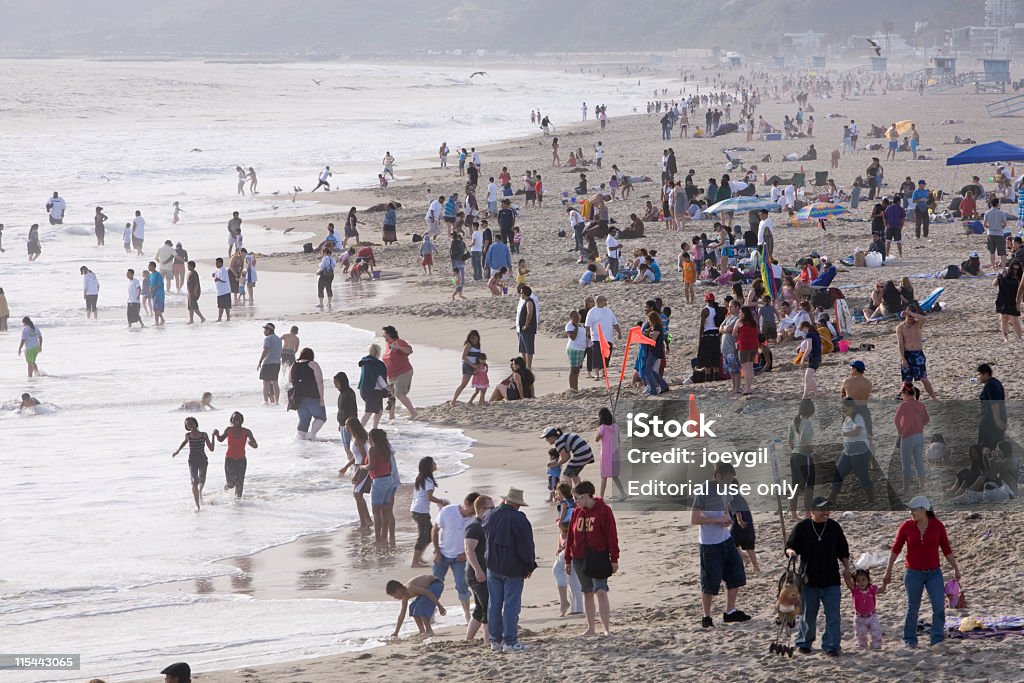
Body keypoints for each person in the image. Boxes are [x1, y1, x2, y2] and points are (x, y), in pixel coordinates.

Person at [882, 497, 962, 648]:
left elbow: (946, 549)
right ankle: (910, 640)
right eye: (910, 509)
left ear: (924, 511)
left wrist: (955, 568)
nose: (911, 512)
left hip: (934, 573)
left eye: (914, 509)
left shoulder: (937, 526)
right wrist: (888, 570)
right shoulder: (906, 526)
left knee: (938, 606)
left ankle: (937, 638)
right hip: (913, 573)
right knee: (913, 607)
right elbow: (895, 549)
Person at [785, 496, 853, 656]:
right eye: (822, 509)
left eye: (827, 509)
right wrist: (792, 553)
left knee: (833, 616)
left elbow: (843, 551)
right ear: (812, 511)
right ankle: (804, 642)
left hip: (831, 580)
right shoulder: (802, 527)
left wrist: (847, 568)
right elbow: (789, 547)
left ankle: (831, 645)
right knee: (807, 615)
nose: (826, 512)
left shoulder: (834, 527)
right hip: (809, 580)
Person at [692, 463, 751, 628]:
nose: (730, 482)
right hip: (709, 544)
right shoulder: (703, 491)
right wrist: (716, 520)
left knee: (736, 573)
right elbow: (695, 519)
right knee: (710, 581)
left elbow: (726, 508)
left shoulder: (727, 489)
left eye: (732, 479)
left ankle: (730, 612)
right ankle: (707, 617)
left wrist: (727, 519)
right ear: (717, 476)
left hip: (726, 539)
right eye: (727, 478)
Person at [483, 487, 537, 653]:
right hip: (513, 568)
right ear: (517, 504)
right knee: (511, 606)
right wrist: (530, 566)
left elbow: (485, 528)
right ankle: (510, 641)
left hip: (493, 565)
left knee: (494, 604)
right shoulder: (519, 519)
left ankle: (495, 640)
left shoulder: (490, 515)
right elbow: (526, 546)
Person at [564, 480, 619, 636]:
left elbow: (611, 536)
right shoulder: (576, 512)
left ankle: (607, 629)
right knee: (587, 592)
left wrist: (614, 558)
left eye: (577, 498)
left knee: (601, 591)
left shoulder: (604, 511)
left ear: (586, 496)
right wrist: (567, 559)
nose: (575, 502)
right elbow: (570, 537)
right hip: (579, 558)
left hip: (599, 556)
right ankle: (591, 628)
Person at [432, 491, 478, 623]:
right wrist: (437, 551)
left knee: (461, 584)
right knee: (435, 585)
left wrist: (465, 554)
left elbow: (477, 538)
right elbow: (435, 529)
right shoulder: (448, 511)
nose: (473, 512)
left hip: (460, 558)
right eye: (473, 509)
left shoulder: (474, 519)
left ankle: (467, 615)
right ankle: (431, 614)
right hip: (442, 554)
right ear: (466, 503)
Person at [828, 399, 876, 506]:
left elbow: (857, 431)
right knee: (838, 473)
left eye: (846, 407)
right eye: (842, 407)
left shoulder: (858, 417)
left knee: (863, 477)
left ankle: (871, 500)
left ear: (853, 408)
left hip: (859, 454)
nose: (843, 409)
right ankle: (831, 499)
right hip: (847, 452)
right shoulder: (847, 418)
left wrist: (843, 434)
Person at [464, 494, 494, 641]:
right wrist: (478, 570)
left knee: (479, 609)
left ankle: (468, 639)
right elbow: (468, 549)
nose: (493, 511)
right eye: (491, 508)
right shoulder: (474, 527)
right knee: (488, 606)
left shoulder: (484, 525)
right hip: (476, 574)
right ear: (482, 509)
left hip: (484, 572)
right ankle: (489, 641)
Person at [410, 457, 448, 567]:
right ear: (429, 466)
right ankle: (415, 562)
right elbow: (429, 497)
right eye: (433, 463)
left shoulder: (421, 478)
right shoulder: (428, 480)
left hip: (416, 510)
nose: (435, 464)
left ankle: (419, 557)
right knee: (423, 536)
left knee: (429, 536)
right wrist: (441, 501)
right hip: (421, 511)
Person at [171, 417, 214, 511]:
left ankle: (200, 492)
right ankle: (197, 505)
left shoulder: (203, 435)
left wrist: (213, 437)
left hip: (203, 460)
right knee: (195, 481)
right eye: (188, 425)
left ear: (195, 423)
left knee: (202, 480)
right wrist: (177, 451)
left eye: (191, 423)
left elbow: (211, 448)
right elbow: (183, 443)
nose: (190, 426)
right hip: (192, 461)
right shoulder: (188, 436)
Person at [385, 574, 447, 639]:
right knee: (412, 607)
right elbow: (402, 614)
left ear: (399, 590)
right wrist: (396, 633)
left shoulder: (410, 588)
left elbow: (428, 593)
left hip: (436, 583)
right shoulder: (405, 597)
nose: (395, 598)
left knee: (420, 606)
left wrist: (440, 606)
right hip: (427, 588)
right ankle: (422, 631)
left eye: (394, 595)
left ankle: (429, 631)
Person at [212, 411, 257, 499]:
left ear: (242, 420)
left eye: (238, 419)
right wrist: (217, 435)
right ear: (231, 420)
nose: (236, 420)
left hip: (241, 460)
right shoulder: (228, 430)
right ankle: (228, 486)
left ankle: (237, 505)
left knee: (240, 482)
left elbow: (255, 445)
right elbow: (221, 439)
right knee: (231, 483)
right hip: (229, 459)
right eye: (234, 419)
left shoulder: (246, 431)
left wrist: (250, 443)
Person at [895, 382, 930, 494]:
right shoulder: (921, 405)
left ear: (906, 393)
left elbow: (896, 420)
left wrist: (900, 432)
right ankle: (923, 486)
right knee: (919, 461)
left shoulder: (903, 405)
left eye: (902, 393)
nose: (901, 396)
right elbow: (926, 419)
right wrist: (921, 426)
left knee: (906, 463)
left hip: (907, 436)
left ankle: (907, 489)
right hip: (919, 436)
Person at [896, 306, 937, 399]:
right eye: (909, 315)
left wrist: (911, 314)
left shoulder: (918, 324)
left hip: (918, 354)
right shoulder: (900, 327)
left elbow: (924, 319)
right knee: (907, 381)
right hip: (907, 354)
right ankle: (903, 397)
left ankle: (934, 397)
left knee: (924, 379)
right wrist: (902, 358)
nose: (911, 318)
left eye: (912, 316)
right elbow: (901, 344)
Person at [290, 347, 327, 440]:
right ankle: (312, 435)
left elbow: (290, 382)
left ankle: (299, 442)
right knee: (321, 417)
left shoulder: (293, 365)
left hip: (298, 398)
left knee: (303, 421)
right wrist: (321, 398)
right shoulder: (313, 364)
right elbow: (320, 382)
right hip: (312, 396)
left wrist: (291, 398)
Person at [584, 295, 621, 380]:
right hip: (596, 337)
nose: (606, 301)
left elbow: (614, 323)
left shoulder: (608, 311)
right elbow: (587, 325)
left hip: (608, 338)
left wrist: (619, 332)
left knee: (606, 356)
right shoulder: (592, 311)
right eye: (604, 300)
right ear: (599, 301)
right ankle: (597, 374)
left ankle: (604, 372)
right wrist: (587, 335)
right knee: (596, 356)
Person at [357, 343, 388, 428]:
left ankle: (374, 429)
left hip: (364, 389)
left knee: (379, 411)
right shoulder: (377, 364)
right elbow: (380, 379)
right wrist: (388, 389)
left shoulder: (365, 362)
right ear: (378, 352)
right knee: (369, 411)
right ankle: (359, 430)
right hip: (373, 391)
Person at [977, 363, 1007, 448]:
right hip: (996, 419)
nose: (978, 377)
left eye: (980, 374)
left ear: (986, 374)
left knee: (986, 448)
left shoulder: (990, 385)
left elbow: (994, 404)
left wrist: (997, 420)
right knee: (997, 447)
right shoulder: (997, 382)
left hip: (990, 422)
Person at [451, 330, 482, 404]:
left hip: (476, 366)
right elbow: (463, 357)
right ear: (469, 338)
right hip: (468, 366)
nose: (474, 340)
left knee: (479, 384)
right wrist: (473, 365)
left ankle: (475, 401)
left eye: (475, 338)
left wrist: (479, 365)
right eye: (472, 338)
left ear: (478, 338)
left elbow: (478, 356)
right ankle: (453, 401)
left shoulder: (478, 345)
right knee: (463, 384)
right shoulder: (468, 345)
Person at [257, 323, 282, 405]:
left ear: (269, 330)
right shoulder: (278, 339)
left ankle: (265, 402)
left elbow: (265, 350)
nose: (264, 331)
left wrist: (260, 361)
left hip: (268, 362)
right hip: (277, 362)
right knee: (275, 382)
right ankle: (277, 401)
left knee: (266, 383)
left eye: (265, 330)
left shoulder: (267, 339)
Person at [565, 309, 587, 391]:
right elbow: (573, 337)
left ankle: (575, 388)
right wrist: (576, 327)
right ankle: (572, 388)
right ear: (571, 318)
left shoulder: (582, 326)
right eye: (574, 317)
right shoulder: (570, 325)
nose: (576, 318)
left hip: (581, 349)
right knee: (573, 369)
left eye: (577, 316)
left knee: (577, 370)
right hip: (573, 349)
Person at [516, 285, 537, 369]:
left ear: (524, 293)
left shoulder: (529, 302)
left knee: (529, 348)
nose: (520, 294)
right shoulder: (525, 302)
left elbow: (530, 313)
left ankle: (529, 366)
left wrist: (526, 325)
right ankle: (524, 365)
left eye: (521, 293)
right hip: (522, 329)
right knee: (523, 348)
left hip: (528, 329)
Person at [984, 197, 1008, 269]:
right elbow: (1004, 224)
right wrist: (1000, 227)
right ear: (998, 204)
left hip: (990, 233)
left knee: (992, 252)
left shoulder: (987, 212)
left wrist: (991, 226)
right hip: (999, 233)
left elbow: (985, 224)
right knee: (1002, 252)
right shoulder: (1001, 213)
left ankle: (994, 266)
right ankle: (1003, 267)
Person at [212, 257, 231, 322]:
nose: (216, 264)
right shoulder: (218, 270)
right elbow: (216, 276)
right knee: (221, 305)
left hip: (225, 291)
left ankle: (226, 318)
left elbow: (224, 279)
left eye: (217, 263)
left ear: (221, 263)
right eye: (216, 263)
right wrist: (214, 275)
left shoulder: (224, 270)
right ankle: (221, 318)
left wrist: (218, 279)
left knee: (226, 306)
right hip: (220, 291)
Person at [147, 262, 166, 326]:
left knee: (156, 308)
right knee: (156, 308)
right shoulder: (150, 275)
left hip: (159, 293)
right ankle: (162, 320)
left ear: (153, 267)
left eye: (149, 266)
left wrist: (154, 288)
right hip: (153, 293)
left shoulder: (158, 274)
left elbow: (160, 284)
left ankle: (156, 322)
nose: (148, 267)